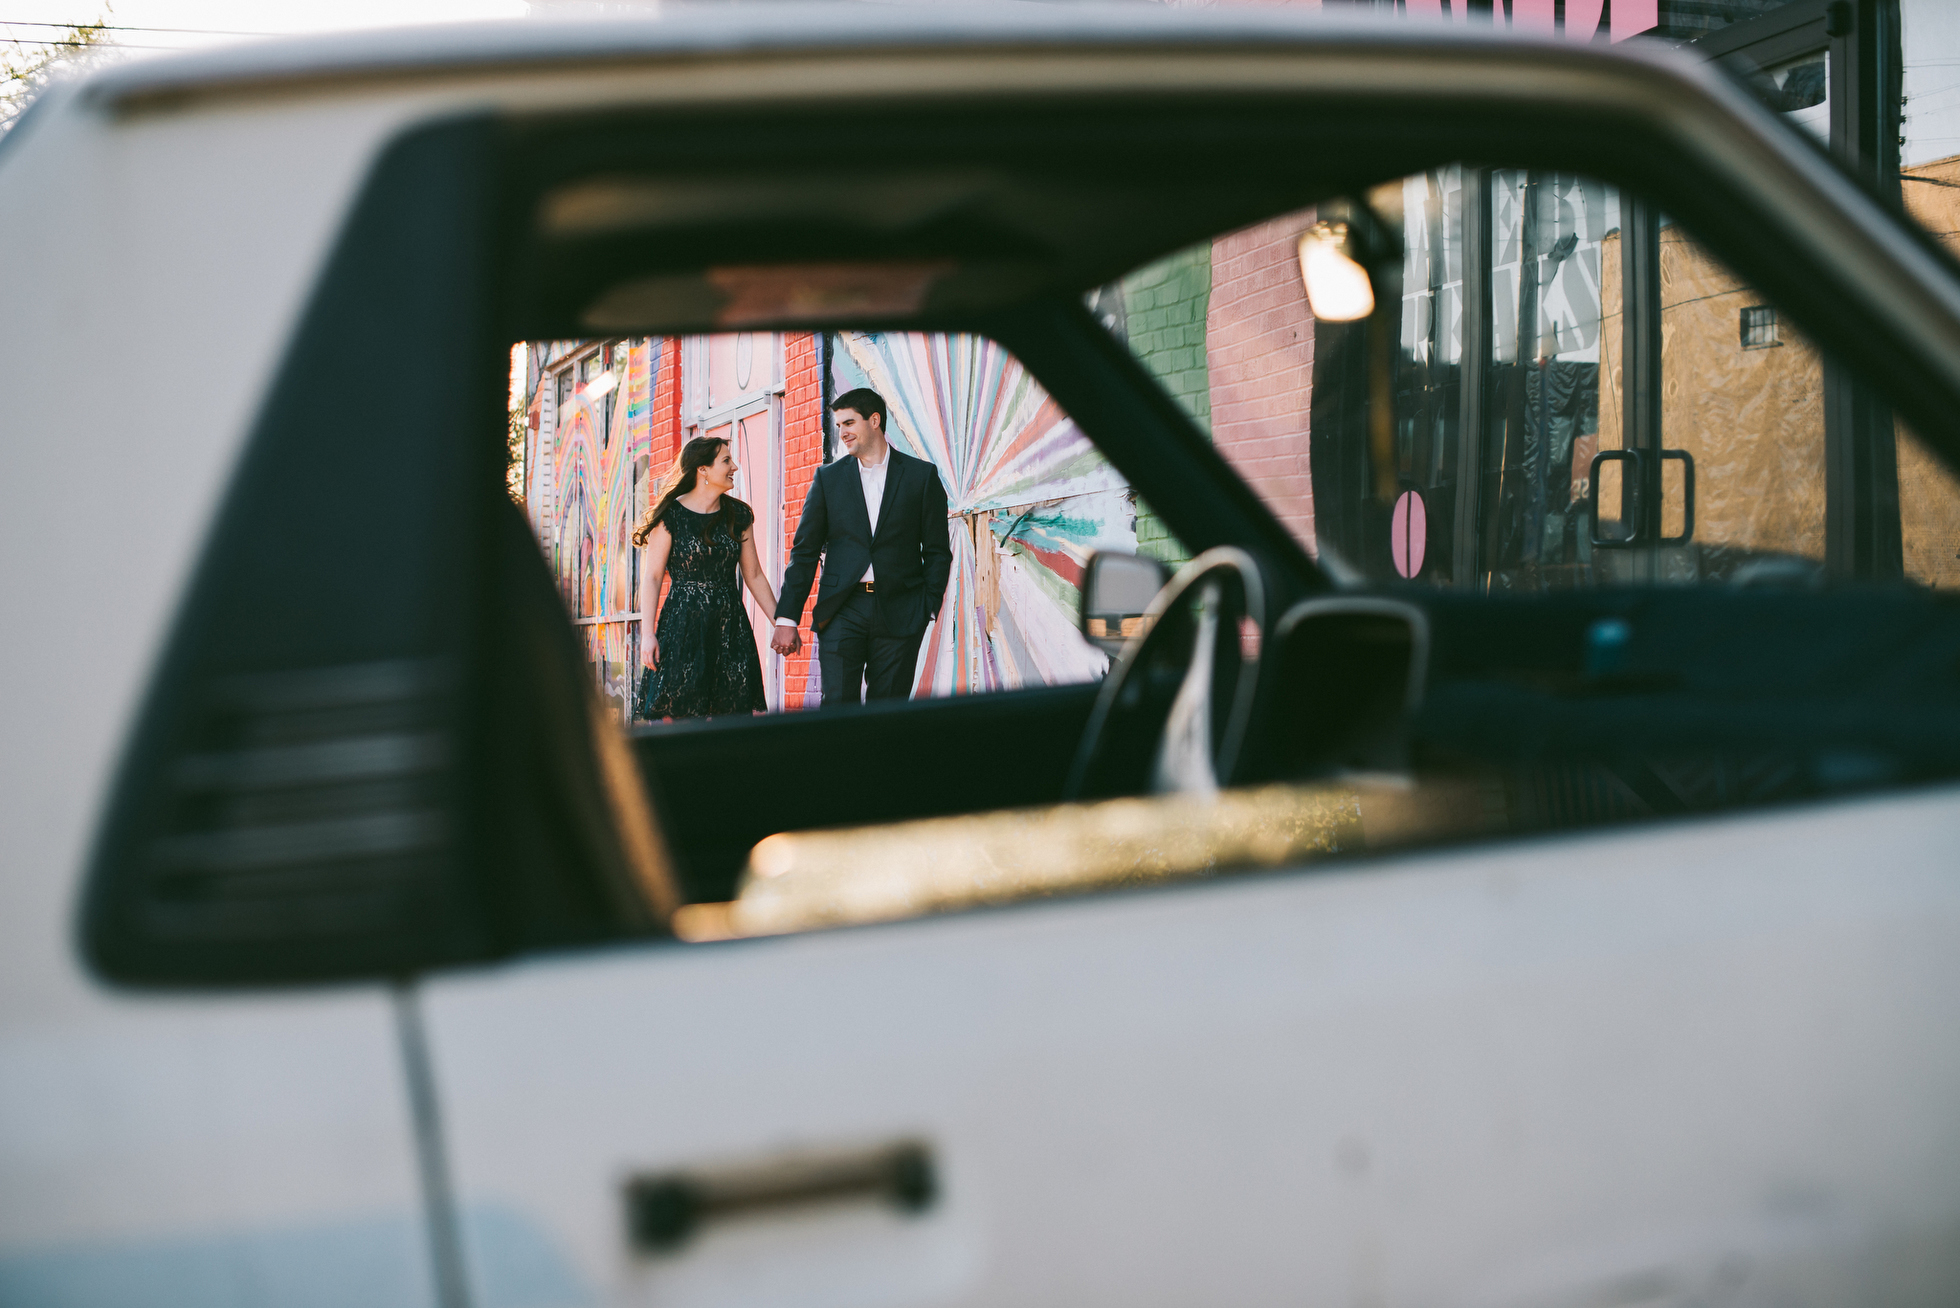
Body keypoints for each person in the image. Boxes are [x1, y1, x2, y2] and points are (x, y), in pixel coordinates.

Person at [771, 387, 952, 704]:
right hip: (842, 608)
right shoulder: (828, 479)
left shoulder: (920, 477)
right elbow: (804, 552)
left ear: (875, 420)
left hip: (901, 609)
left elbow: (937, 551)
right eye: (839, 425)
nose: (842, 432)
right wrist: (786, 619)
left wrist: (928, 606)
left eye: (849, 423)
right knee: (838, 706)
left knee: (889, 709)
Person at [634, 436, 792, 720]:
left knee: (732, 717)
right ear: (702, 470)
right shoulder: (671, 515)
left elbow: (753, 574)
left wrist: (780, 623)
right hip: (682, 627)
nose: (735, 466)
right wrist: (647, 634)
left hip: (730, 628)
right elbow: (653, 577)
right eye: (726, 461)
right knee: (681, 718)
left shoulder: (738, 514)